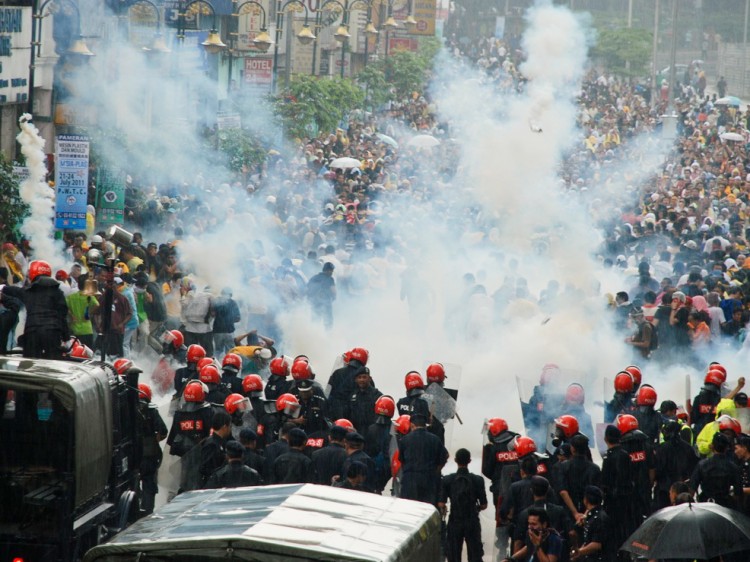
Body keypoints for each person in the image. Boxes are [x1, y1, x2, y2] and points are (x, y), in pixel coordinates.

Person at [0, 260, 69, 358]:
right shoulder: (57, 292)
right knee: (54, 364)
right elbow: (63, 315)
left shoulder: (28, 291)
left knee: (30, 364)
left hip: (32, 332)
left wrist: (3, 287)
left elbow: (16, 291)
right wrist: (66, 337)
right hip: (52, 332)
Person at [438, 448, 487, 562]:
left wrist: (444, 508)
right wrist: (477, 508)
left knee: (453, 555)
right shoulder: (478, 480)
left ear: (455, 460)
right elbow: (484, 505)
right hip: (472, 521)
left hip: (455, 520)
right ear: (469, 461)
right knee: (475, 555)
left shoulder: (447, 480)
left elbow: (441, 503)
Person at [166, 380, 214, 492]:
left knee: (184, 483)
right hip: (202, 455)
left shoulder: (179, 414)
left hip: (183, 456)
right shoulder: (207, 412)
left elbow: (172, 438)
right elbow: (210, 433)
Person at [599, 425, 634, 561]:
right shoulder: (625, 455)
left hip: (613, 503)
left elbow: (605, 481)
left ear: (606, 438)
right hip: (627, 501)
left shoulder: (609, 458)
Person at [398, 413, 448, 505]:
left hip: (409, 481)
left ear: (412, 425)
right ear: (425, 425)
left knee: (408, 508)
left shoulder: (405, 440)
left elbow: (401, 460)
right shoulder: (435, 439)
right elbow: (445, 456)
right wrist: (435, 471)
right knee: (425, 509)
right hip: (428, 480)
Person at [616, 414, 655, 524]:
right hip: (644, 488)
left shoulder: (621, 448)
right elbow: (652, 468)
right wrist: (649, 484)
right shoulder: (647, 445)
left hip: (628, 492)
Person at [137, 383, 168, 515]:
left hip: (131, 455)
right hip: (150, 456)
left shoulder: (125, 409)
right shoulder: (151, 411)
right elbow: (163, 431)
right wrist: (153, 440)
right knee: (149, 485)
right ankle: (147, 512)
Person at [690, 432, 743, 508]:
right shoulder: (733, 467)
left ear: (712, 446)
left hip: (705, 504)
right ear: (726, 448)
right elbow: (738, 493)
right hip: (725, 506)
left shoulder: (702, 465)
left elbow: (692, 488)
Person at [654, 421, 698, 510]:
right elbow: (694, 469)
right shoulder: (688, 448)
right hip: (683, 489)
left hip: (664, 490)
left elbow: (657, 469)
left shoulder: (662, 449)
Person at [327, 347, 369, 420]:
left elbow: (328, 392)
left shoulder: (337, 373)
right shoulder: (365, 379)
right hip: (353, 417)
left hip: (333, 413)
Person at [570, 486, 611, 562]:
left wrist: (579, 552)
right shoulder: (590, 516)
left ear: (586, 500)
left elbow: (597, 544)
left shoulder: (599, 518)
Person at [199, 411, 233, 488]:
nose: (230, 429)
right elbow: (206, 468)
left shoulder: (221, 442)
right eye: (230, 426)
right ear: (224, 427)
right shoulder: (211, 444)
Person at [346, 367, 383, 434]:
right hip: (355, 434)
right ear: (356, 380)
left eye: (364, 377)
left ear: (369, 379)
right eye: (359, 377)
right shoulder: (352, 396)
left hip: (371, 434)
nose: (362, 380)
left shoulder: (377, 395)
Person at [212, 287, 241, 357]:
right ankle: (229, 364)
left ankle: (214, 365)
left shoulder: (216, 301)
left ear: (222, 293)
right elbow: (238, 318)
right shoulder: (233, 303)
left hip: (217, 330)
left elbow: (212, 314)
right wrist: (230, 320)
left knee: (217, 350)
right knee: (230, 351)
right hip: (229, 331)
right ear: (231, 294)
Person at [307, 261, 336, 329]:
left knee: (315, 319)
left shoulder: (314, 277)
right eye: (331, 271)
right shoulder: (330, 279)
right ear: (327, 270)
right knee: (328, 321)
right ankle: (328, 335)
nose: (332, 272)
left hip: (315, 302)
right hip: (326, 302)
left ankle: (314, 334)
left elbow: (308, 288)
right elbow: (334, 291)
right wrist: (334, 298)